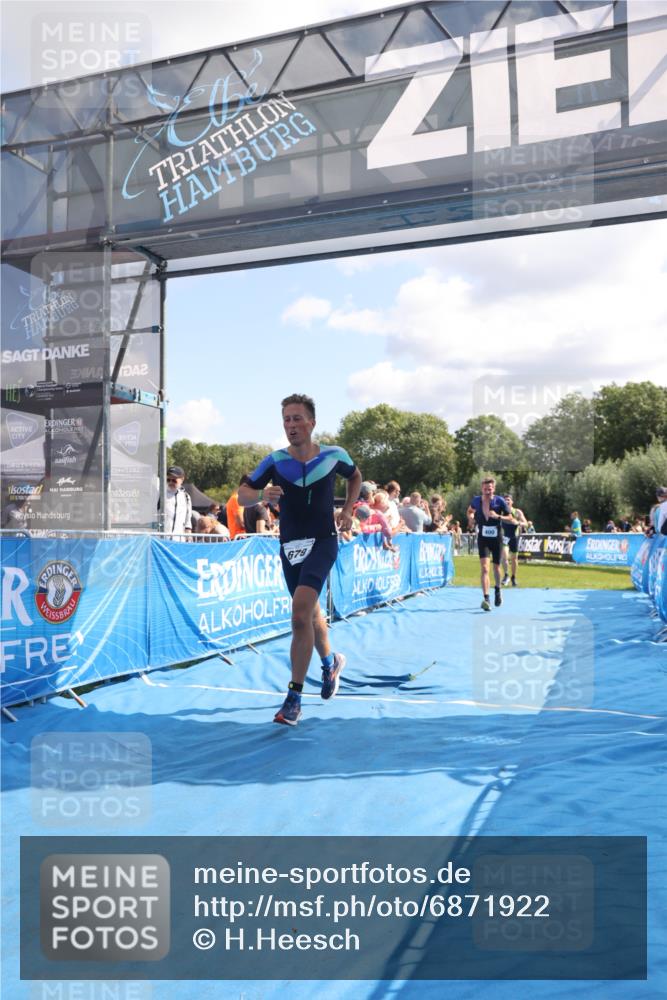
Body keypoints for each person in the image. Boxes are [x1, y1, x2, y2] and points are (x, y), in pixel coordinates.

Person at [238, 393, 362, 727]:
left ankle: (293, 698)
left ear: (312, 422)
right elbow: (243, 494)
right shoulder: (275, 461)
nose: (291, 425)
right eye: (286, 420)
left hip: (324, 541)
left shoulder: (334, 455)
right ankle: (330, 663)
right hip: (290, 545)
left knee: (299, 613)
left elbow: (355, 477)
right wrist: (261, 494)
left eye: (297, 418)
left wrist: (348, 509)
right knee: (309, 613)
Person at [466, 477, 513, 611]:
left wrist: (498, 516)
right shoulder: (476, 500)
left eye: (490, 489)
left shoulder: (500, 501)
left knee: (496, 568)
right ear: (482, 489)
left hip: (497, 538)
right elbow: (469, 511)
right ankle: (486, 598)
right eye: (486, 489)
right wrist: (471, 518)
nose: (488, 491)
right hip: (483, 538)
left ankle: (497, 590)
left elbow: (510, 517)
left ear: (494, 489)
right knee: (485, 568)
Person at [501, 493, 528, 587]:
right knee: (504, 556)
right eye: (505, 500)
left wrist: (518, 523)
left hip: (514, 537)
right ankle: (506, 575)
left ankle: (513, 577)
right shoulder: (501, 512)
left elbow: (526, 523)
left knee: (514, 559)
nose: (506, 501)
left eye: (508, 499)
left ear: (512, 501)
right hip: (504, 537)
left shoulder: (517, 512)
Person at [162, 466, 192, 538]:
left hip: (179, 539)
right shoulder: (160, 494)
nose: (170, 482)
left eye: (174, 480)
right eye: (168, 480)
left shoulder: (186, 497)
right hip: (161, 539)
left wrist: (188, 535)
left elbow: (188, 519)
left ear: (182, 479)